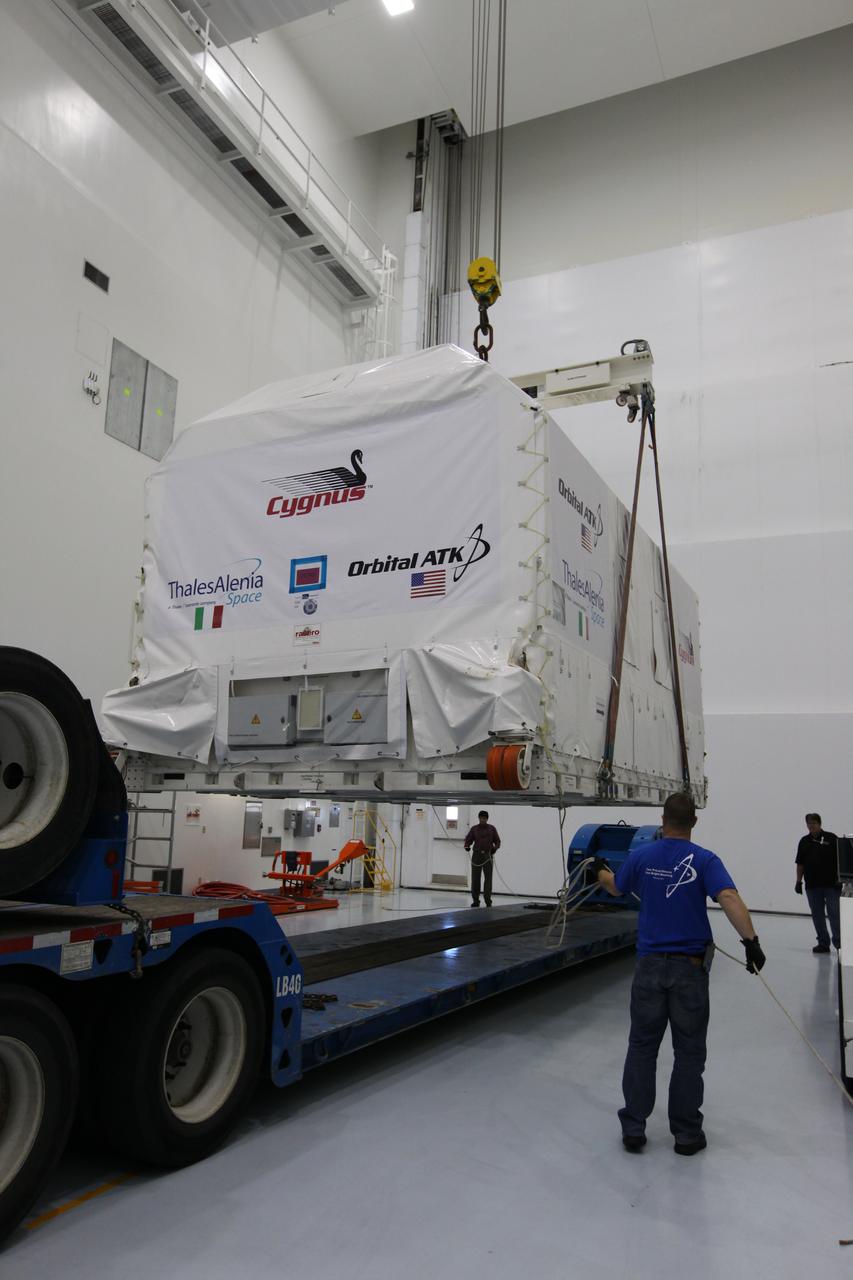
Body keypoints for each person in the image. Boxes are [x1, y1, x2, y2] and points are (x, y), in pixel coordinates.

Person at [589, 792, 765, 1156]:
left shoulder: (641, 857)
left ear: (662, 818)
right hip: (690, 970)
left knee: (641, 1046)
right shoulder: (704, 860)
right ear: (694, 823)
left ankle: (634, 1127)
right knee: (688, 1053)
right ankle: (686, 1135)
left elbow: (616, 887)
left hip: (649, 968)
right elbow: (729, 898)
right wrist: (751, 941)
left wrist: (601, 871)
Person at [795, 813, 841, 953]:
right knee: (817, 914)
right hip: (812, 885)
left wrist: (841, 879)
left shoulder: (832, 838)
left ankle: (839, 944)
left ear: (819, 824)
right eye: (809, 823)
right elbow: (800, 863)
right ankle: (823, 943)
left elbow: (841, 859)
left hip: (831, 885)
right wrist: (798, 881)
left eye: (814, 823)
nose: (811, 826)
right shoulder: (804, 841)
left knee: (834, 914)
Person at [463, 810, 500, 908]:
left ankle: (488, 901)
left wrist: (494, 849)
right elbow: (468, 839)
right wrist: (467, 846)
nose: (483, 819)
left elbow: (497, 841)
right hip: (476, 856)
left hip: (487, 856)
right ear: (479, 818)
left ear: (487, 819)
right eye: (481, 818)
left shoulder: (492, 829)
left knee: (488, 879)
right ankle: (475, 900)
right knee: (475, 879)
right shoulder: (474, 829)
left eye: (484, 818)